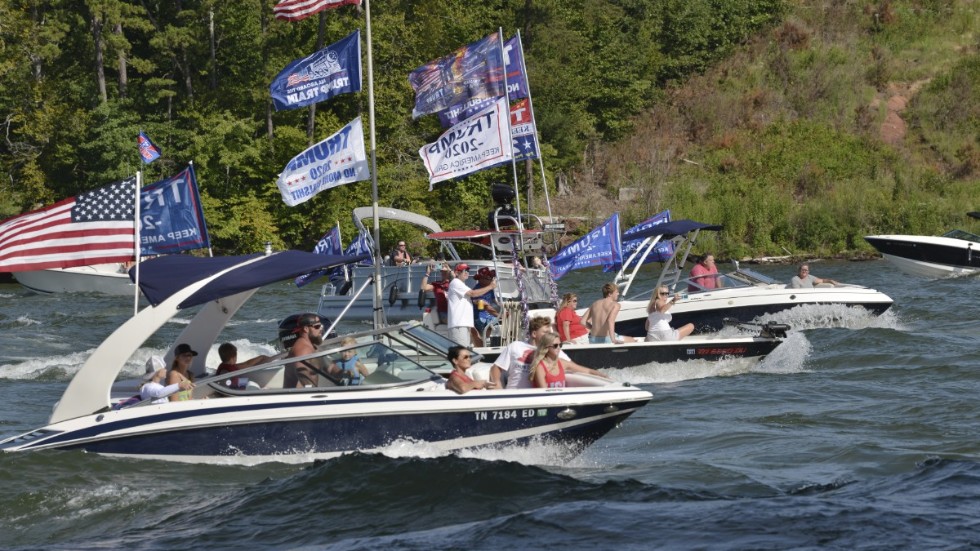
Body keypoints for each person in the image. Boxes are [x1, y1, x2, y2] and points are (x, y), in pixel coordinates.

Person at [489, 316, 607, 389]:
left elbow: (574, 368)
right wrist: (498, 388)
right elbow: (495, 369)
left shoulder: (553, 349)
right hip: (514, 394)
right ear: (534, 334)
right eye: (545, 332)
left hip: (537, 395)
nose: (549, 335)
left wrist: (601, 375)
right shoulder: (516, 346)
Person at [447, 263, 495, 347]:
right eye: (464, 271)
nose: (467, 272)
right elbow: (472, 293)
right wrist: (490, 286)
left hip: (464, 325)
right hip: (459, 325)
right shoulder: (456, 282)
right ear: (457, 273)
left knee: (465, 351)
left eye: (468, 270)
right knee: (461, 352)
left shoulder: (461, 284)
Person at [284, 313, 328, 388]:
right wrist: (315, 392)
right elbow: (303, 374)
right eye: (317, 326)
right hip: (297, 397)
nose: (321, 329)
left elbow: (330, 367)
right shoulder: (302, 350)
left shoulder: (313, 347)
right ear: (306, 329)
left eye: (321, 326)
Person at [471, 267, 500, 345]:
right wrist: (500, 315)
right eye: (488, 278)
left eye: (491, 278)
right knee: (489, 324)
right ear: (481, 279)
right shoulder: (477, 289)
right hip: (479, 316)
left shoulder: (490, 289)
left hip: (488, 316)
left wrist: (503, 307)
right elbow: (485, 305)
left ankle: (490, 341)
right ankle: (484, 343)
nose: (491, 280)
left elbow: (494, 301)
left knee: (496, 326)